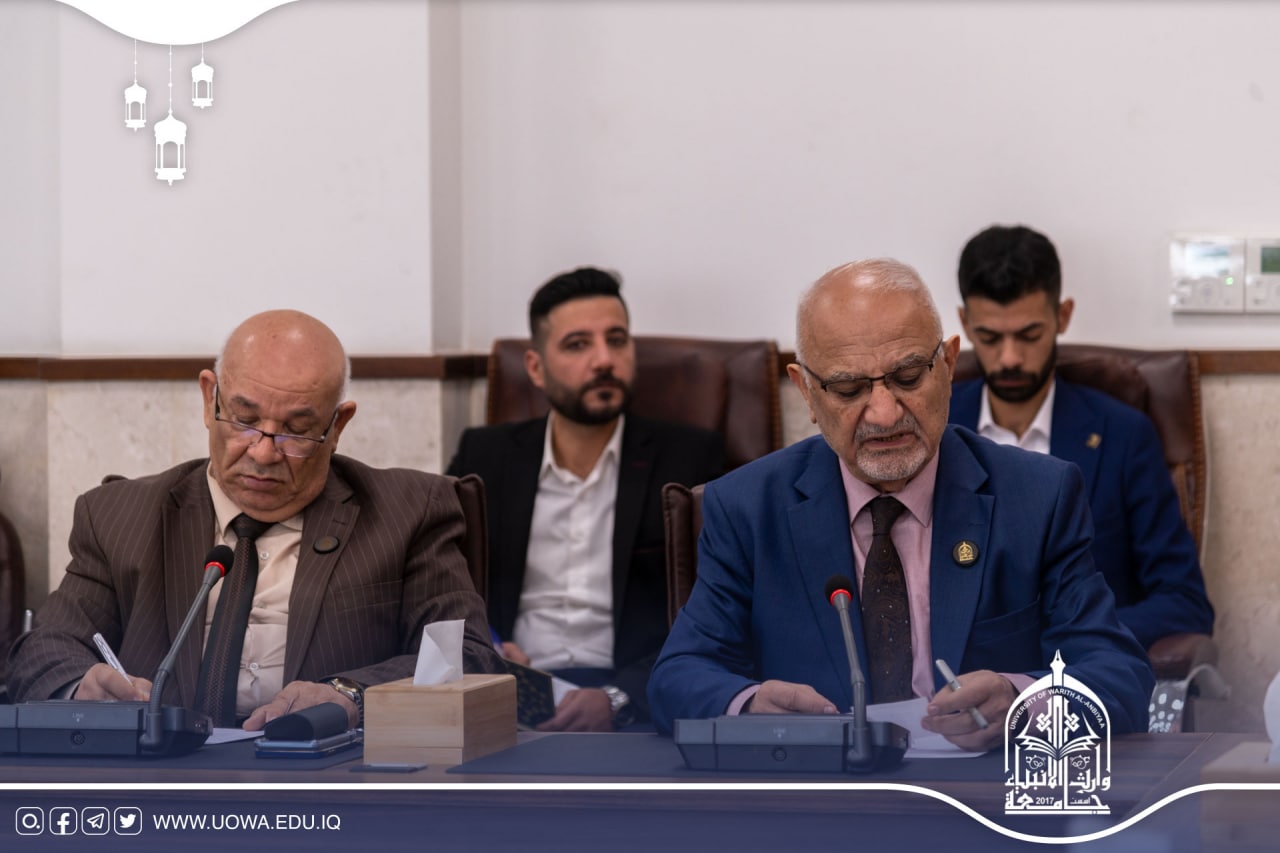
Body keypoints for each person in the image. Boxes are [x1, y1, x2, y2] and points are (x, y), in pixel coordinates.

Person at [647, 259, 1153, 750]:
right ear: (806, 391)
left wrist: (1026, 700)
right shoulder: (746, 508)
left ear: (948, 365)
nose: (885, 414)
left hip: (980, 794)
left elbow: (1119, 674)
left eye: (908, 377)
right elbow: (679, 676)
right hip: (817, 793)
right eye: (848, 388)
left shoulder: (1038, 497)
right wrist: (749, 706)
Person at [7, 310, 502, 729]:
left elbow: (468, 656)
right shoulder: (119, 516)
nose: (263, 453)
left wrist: (351, 695)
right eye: (244, 420)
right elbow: (43, 651)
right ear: (210, 399)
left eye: (297, 430)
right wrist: (81, 687)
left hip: (328, 782)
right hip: (163, 780)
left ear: (338, 425)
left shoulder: (408, 512)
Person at [447, 267, 724, 731]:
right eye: (577, 345)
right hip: (508, 693)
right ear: (535, 367)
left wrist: (620, 697)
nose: (604, 360)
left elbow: (717, 605)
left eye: (616, 340)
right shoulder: (486, 456)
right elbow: (441, 574)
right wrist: (487, 645)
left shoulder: (689, 459)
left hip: (635, 702)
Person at [949, 224, 1214, 650]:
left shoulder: (1123, 435)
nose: (1010, 358)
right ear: (965, 323)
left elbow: (1184, 603)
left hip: (1081, 669)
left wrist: (1068, 639)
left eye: (1030, 335)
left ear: (1063, 316)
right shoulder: (938, 429)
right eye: (990, 337)